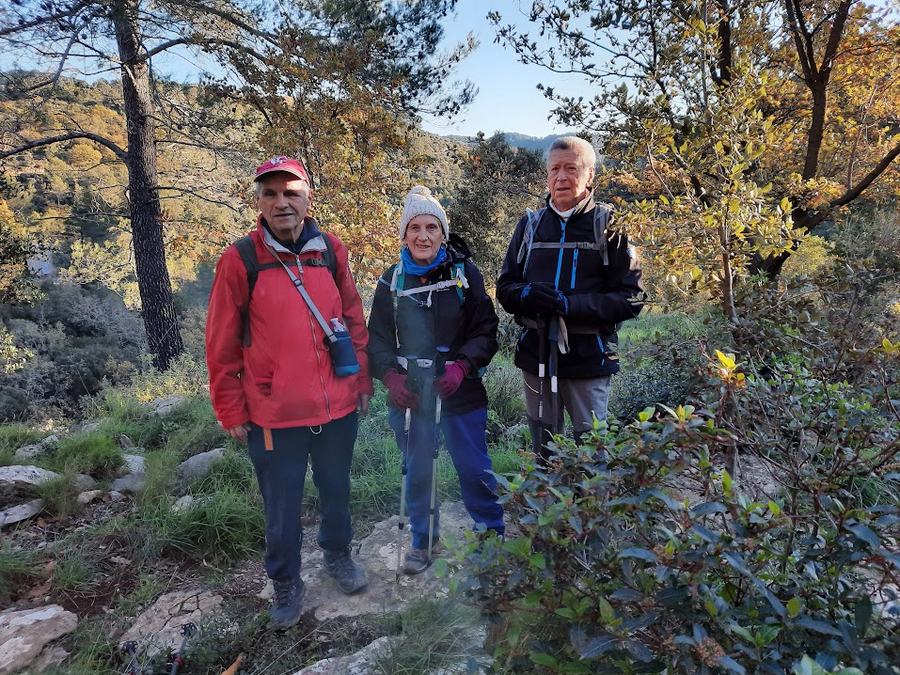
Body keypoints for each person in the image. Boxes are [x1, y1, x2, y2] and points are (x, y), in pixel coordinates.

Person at [206, 156, 372, 630]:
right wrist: (230, 408)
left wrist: (361, 380)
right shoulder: (241, 259)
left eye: (291, 192)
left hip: (337, 406)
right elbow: (220, 342)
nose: (282, 202)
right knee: (282, 504)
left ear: (308, 198)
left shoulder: (331, 250)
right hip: (274, 413)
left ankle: (338, 556)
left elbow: (353, 319)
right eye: (271, 193)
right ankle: (285, 581)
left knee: (336, 490)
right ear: (259, 201)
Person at [368, 186, 504, 574]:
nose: (423, 236)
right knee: (418, 470)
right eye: (415, 227)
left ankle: (491, 540)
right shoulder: (391, 281)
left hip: (460, 390)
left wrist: (462, 366)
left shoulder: (465, 275)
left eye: (431, 227)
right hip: (412, 394)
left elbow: (485, 329)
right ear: (404, 234)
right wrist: (390, 376)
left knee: (474, 469)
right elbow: (376, 337)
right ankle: (423, 541)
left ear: (443, 234)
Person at [496, 137, 644, 461]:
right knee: (543, 447)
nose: (561, 177)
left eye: (571, 168)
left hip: (589, 358)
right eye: (554, 169)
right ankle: (545, 508)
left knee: (591, 453)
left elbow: (632, 299)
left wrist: (569, 305)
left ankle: (589, 512)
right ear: (547, 175)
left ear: (590, 175)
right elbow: (505, 287)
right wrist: (526, 294)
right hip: (536, 354)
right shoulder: (531, 225)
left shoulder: (609, 226)